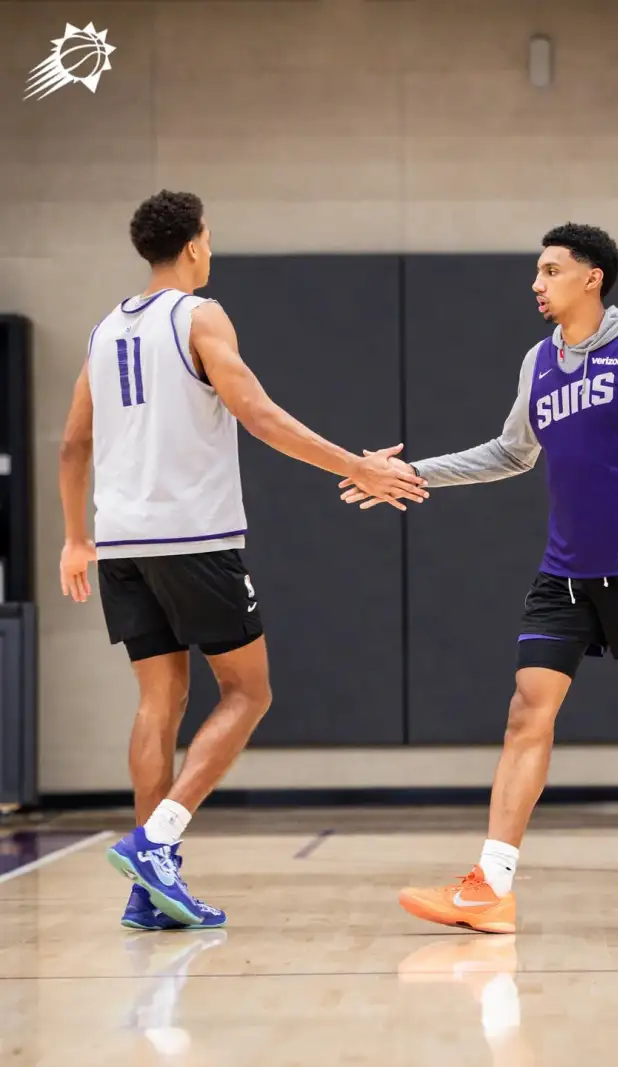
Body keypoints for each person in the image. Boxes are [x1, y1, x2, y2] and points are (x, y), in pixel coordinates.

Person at [340, 222, 618, 933]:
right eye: (537, 272)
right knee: (525, 709)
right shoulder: (539, 362)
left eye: (550, 270)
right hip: (565, 572)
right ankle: (491, 884)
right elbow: (512, 452)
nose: (536, 284)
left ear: (591, 277)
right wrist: (415, 473)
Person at [59, 189, 427, 929]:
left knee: (158, 704)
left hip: (122, 544)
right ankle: (156, 844)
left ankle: (145, 891)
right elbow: (256, 412)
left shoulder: (103, 330)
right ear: (194, 244)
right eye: (210, 238)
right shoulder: (200, 314)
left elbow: (73, 444)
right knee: (248, 692)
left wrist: (75, 537)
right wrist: (353, 465)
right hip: (193, 538)